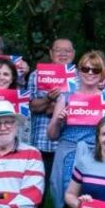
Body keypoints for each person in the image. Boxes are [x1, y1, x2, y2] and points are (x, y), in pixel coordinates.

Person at [47, 51, 105, 208]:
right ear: (78, 71)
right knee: (69, 205)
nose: (90, 72)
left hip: (98, 156)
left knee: (96, 204)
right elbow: (51, 135)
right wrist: (59, 119)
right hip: (69, 155)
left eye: (95, 69)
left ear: (102, 73)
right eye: (85, 68)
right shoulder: (66, 97)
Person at [28, 38, 75, 180]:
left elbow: (80, 108)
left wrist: (53, 108)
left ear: (73, 54)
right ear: (51, 53)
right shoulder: (36, 75)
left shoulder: (79, 76)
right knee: (38, 187)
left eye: (67, 50)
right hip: (41, 143)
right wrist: (48, 99)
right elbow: (31, 106)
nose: (63, 54)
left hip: (69, 144)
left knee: (66, 191)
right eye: (58, 50)